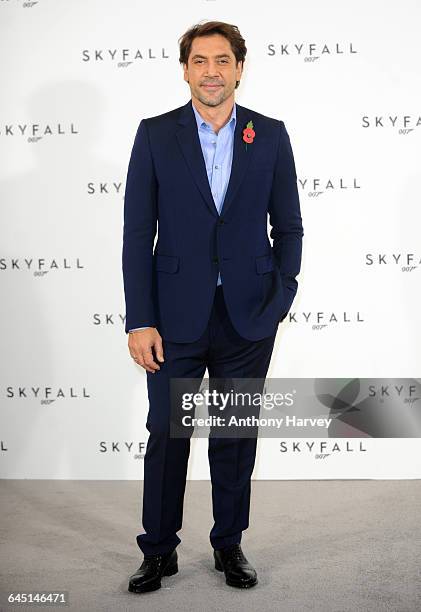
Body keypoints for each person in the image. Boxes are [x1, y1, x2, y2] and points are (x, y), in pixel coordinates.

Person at [122, 20, 304, 593]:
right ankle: (158, 550)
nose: (211, 71)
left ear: (239, 69)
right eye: (199, 61)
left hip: (249, 317)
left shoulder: (270, 135)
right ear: (185, 70)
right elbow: (137, 235)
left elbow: (290, 225)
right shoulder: (155, 135)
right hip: (173, 318)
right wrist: (140, 319)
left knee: (234, 436)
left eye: (222, 60)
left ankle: (229, 545)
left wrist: (282, 295)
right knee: (168, 435)